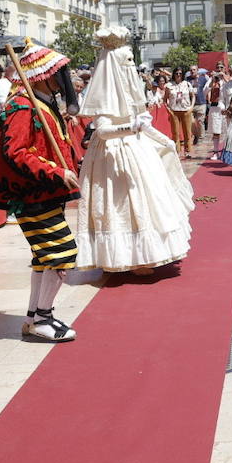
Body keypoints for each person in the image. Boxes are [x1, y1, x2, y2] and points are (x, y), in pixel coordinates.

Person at [72, 25, 193, 275]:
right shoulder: (106, 92)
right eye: (126, 61)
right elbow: (103, 131)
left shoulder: (130, 90)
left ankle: (146, 256)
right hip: (112, 158)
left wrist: (165, 140)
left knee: (150, 202)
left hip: (137, 150)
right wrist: (130, 127)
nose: (130, 66)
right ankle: (123, 257)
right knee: (120, 207)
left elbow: (143, 122)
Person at [0, 41, 83, 342]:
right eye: (57, 74)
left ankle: (34, 318)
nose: (62, 81)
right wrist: (56, 172)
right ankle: (43, 317)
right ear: (42, 75)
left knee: (44, 257)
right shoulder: (22, 105)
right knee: (62, 252)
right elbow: (15, 152)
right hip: (32, 194)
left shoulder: (40, 104)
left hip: (46, 193)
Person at [165, 67, 196, 158]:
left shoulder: (187, 84)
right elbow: (165, 99)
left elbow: (193, 96)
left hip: (186, 110)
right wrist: (168, 109)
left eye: (180, 73)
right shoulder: (169, 85)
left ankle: (187, 151)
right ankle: (177, 151)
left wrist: (191, 107)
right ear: (173, 74)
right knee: (175, 132)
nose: (178, 75)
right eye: (176, 73)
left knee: (187, 132)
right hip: (174, 111)